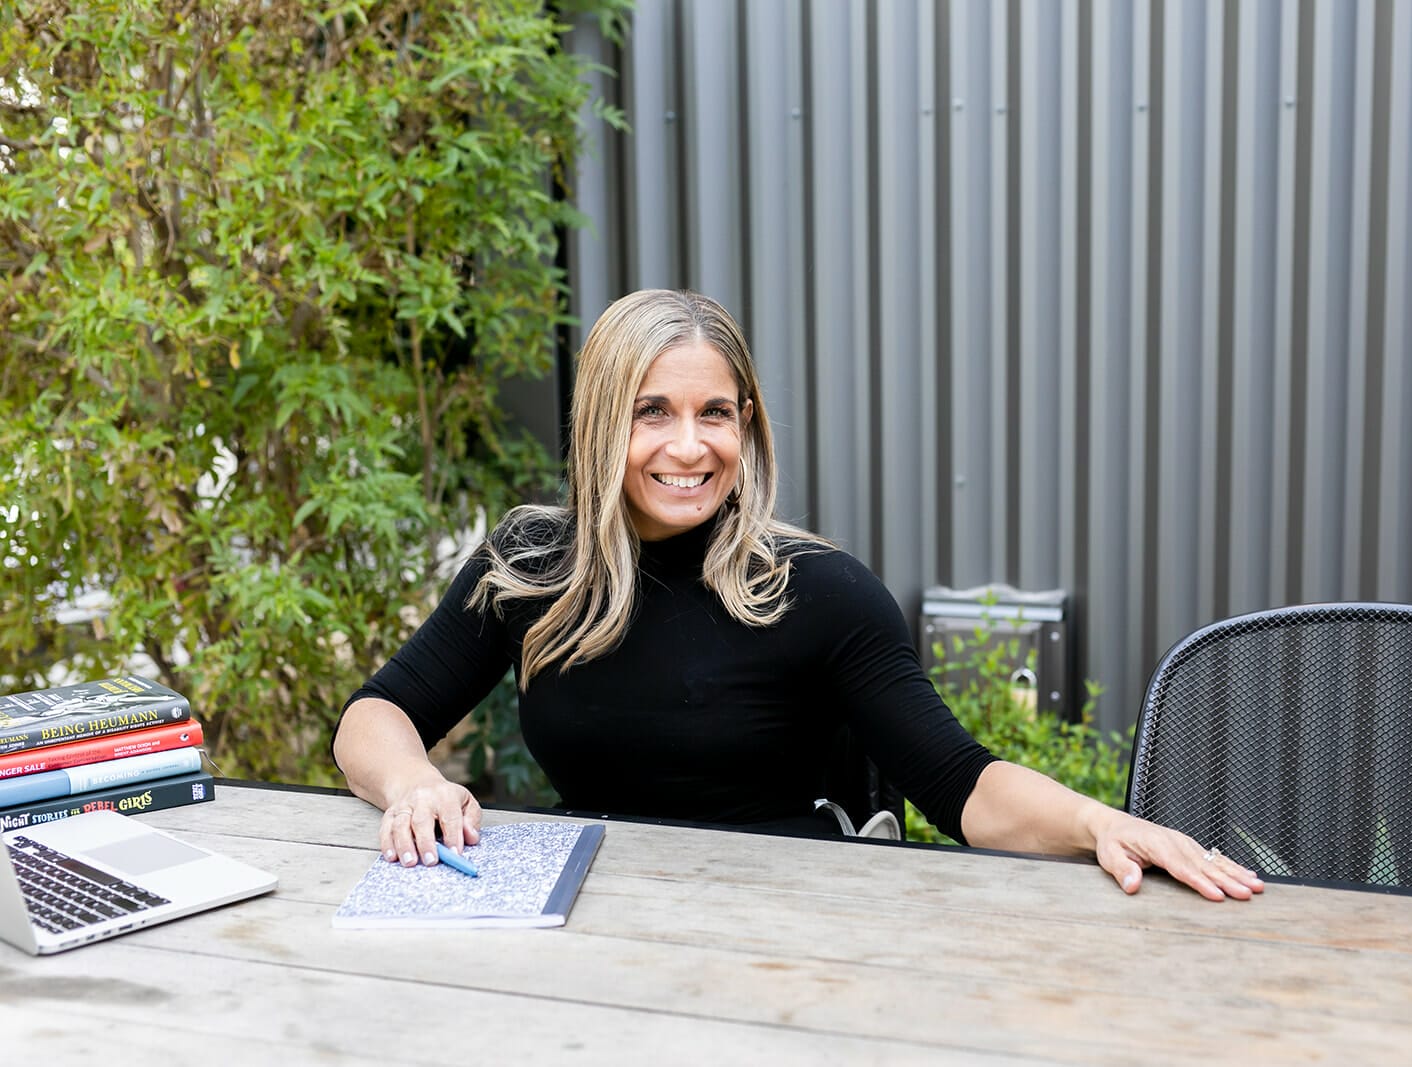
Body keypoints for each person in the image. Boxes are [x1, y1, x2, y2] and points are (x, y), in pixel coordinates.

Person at [333, 289, 1264, 903]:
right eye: (652, 411)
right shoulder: (532, 565)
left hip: (799, 921)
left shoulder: (817, 592)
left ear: (748, 426)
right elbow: (373, 714)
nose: (688, 446)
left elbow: (961, 784)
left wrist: (1098, 819)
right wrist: (413, 783)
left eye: (715, 413)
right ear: (601, 425)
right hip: (596, 918)